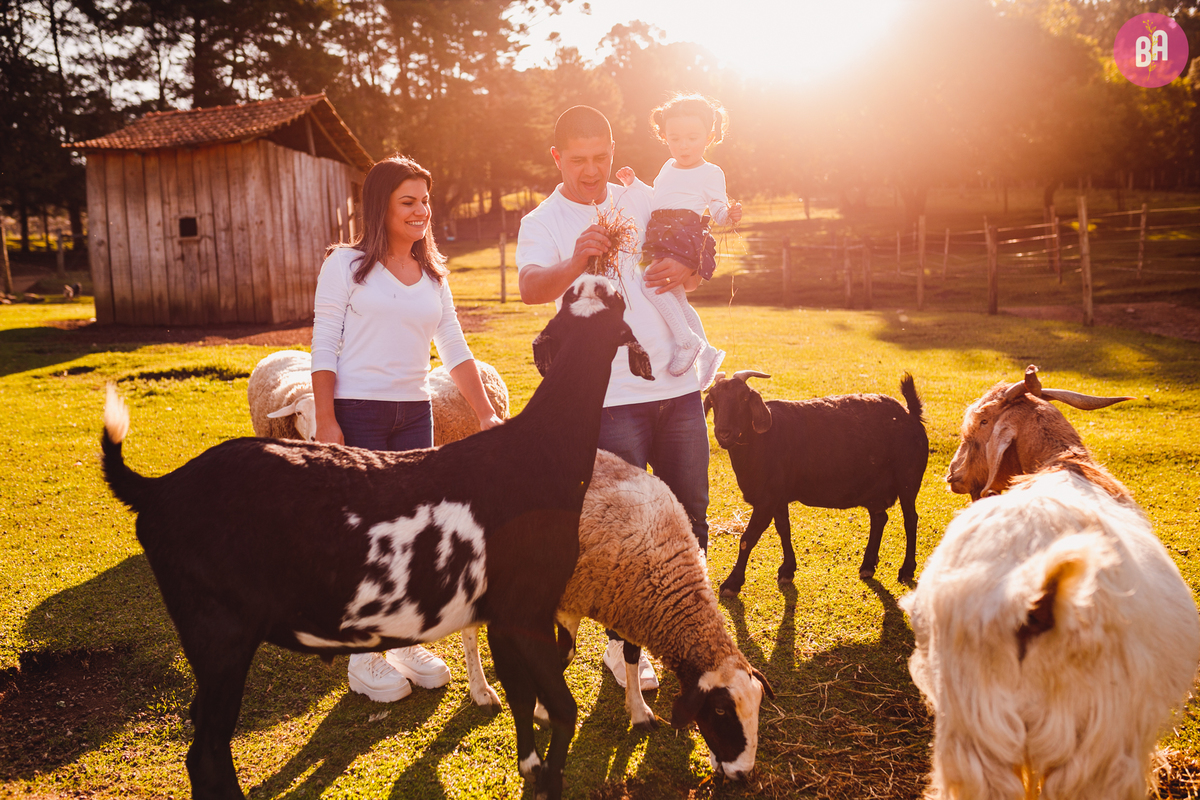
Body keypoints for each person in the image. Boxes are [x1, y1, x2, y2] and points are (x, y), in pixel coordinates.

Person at [516, 105, 713, 693]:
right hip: (608, 395)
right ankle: (621, 645)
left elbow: (695, 253)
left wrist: (687, 271)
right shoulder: (543, 219)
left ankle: (692, 630)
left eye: (601, 157)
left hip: (677, 385)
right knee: (625, 524)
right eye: (579, 160)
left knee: (692, 509)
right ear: (557, 158)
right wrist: (577, 257)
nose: (593, 170)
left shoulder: (639, 197)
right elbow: (530, 289)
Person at [311, 155, 503, 703]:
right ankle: (363, 657)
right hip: (358, 409)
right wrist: (326, 418)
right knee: (366, 532)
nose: (421, 211)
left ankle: (402, 638)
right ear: (380, 206)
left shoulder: (433, 275)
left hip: (414, 412)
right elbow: (323, 342)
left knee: (412, 530)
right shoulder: (345, 264)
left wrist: (486, 412)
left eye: (425, 200)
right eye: (408, 201)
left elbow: (455, 349)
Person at [616, 93, 742, 390]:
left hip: (685, 235)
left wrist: (730, 214)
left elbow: (719, 211)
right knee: (675, 296)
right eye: (675, 138)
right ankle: (707, 352)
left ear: (710, 136)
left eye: (692, 137)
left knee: (651, 284)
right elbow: (656, 197)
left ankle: (687, 342)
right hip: (661, 234)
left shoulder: (711, 172)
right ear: (664, 137)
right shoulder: (667, 167)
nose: (683, 145)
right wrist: (634, 184)